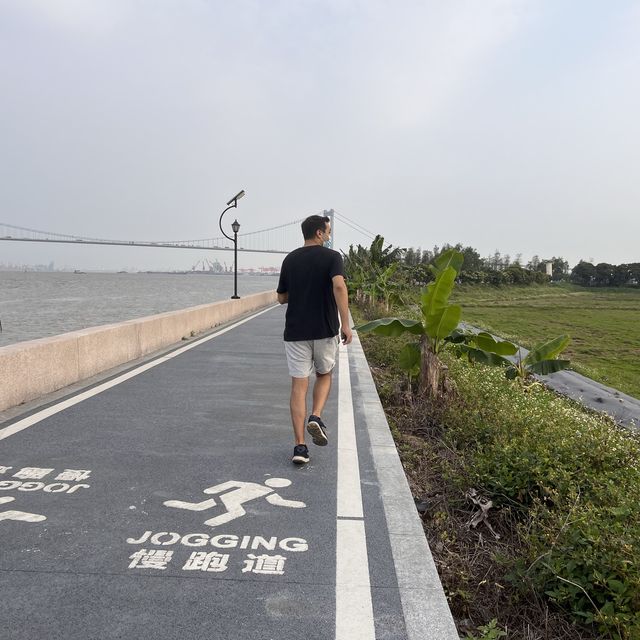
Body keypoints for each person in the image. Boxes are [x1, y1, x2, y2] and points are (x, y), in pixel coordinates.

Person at [276, 214, 353, 464]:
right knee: (324, 374)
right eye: (328, 231)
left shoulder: (290, 259)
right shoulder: (332, 258)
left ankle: (300, 448)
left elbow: (281, 298)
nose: (329, 236)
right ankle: (316, 416)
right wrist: (346, 324)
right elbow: (339, 287)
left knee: (298, 386)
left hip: (296, 332)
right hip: (324, 329)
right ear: (319, 233)